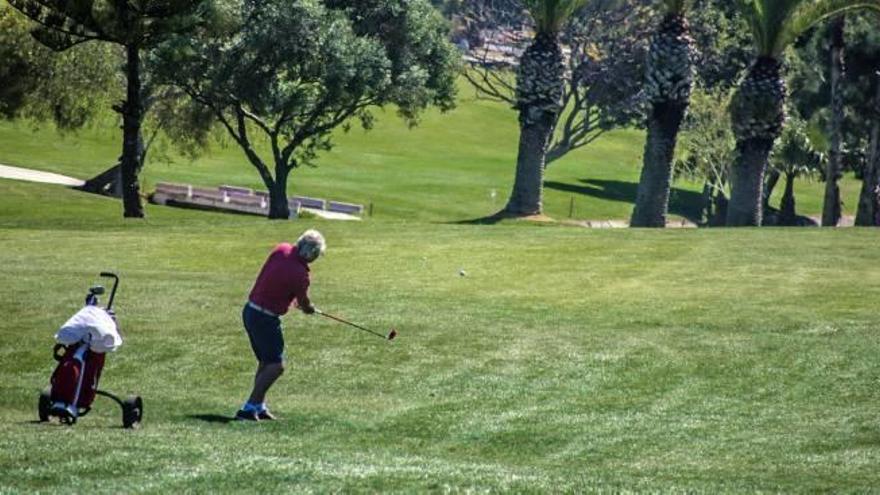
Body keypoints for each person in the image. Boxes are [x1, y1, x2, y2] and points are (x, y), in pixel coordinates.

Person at [236, 229, 326, 421]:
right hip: (265, 319)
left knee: (266, 362)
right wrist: (308, 308)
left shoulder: (281, 249)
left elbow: (277, 279)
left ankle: (258, 406)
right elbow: (303, 303)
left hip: (250, 311)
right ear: (311, 254)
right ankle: (248, 408)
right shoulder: (301, 275)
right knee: (276, 366)